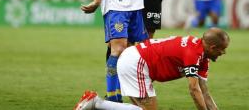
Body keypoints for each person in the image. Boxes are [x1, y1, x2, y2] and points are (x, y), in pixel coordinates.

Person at [74, 28, 229, 110]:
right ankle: (95, 103)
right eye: (222, 49)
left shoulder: (203, 57)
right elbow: (194, 90)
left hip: (137, 62)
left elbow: (204, 92)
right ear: (213, 47)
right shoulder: (193, 53)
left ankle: (95, 103)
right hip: (136, 63)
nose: (224, 53)